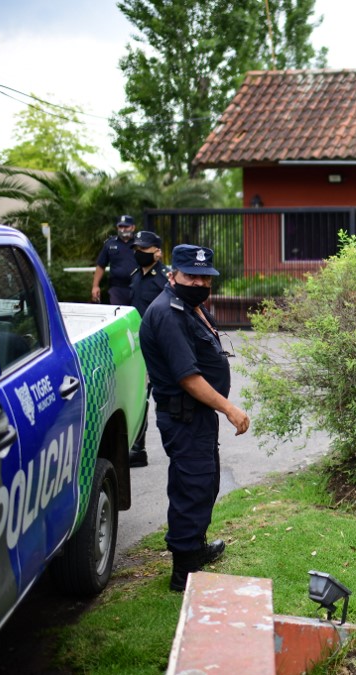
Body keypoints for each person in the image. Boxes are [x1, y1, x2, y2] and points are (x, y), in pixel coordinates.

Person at [139, 244, 250, 592]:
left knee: (205, 483)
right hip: (184, 417)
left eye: (206, 277)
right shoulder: (168, 314)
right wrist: (229, 408)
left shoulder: (191, 306)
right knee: (192, 487)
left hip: (197, 418)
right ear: (172, 275)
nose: (200, 283)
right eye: (192, 276)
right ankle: (184, 571)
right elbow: (188, 378)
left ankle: (196, 548)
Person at [127, 230, 169, 468]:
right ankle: (138, 447)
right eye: (136, 250)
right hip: (138, 345)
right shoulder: (135, 276)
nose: (139, 254)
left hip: (158, 346)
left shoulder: (163, 278)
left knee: (161, 396)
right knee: (139, 396)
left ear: (157, 252)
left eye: (143, 250)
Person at [92, 215, 139, 305]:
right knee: (119, 314)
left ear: (133, 228)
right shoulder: (110, 244)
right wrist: (95, 286)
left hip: (138, 287)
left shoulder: (140, 243)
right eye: (120, 226)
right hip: (117, 289)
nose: (123, 229)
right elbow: (101, 265)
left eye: (126, 226)